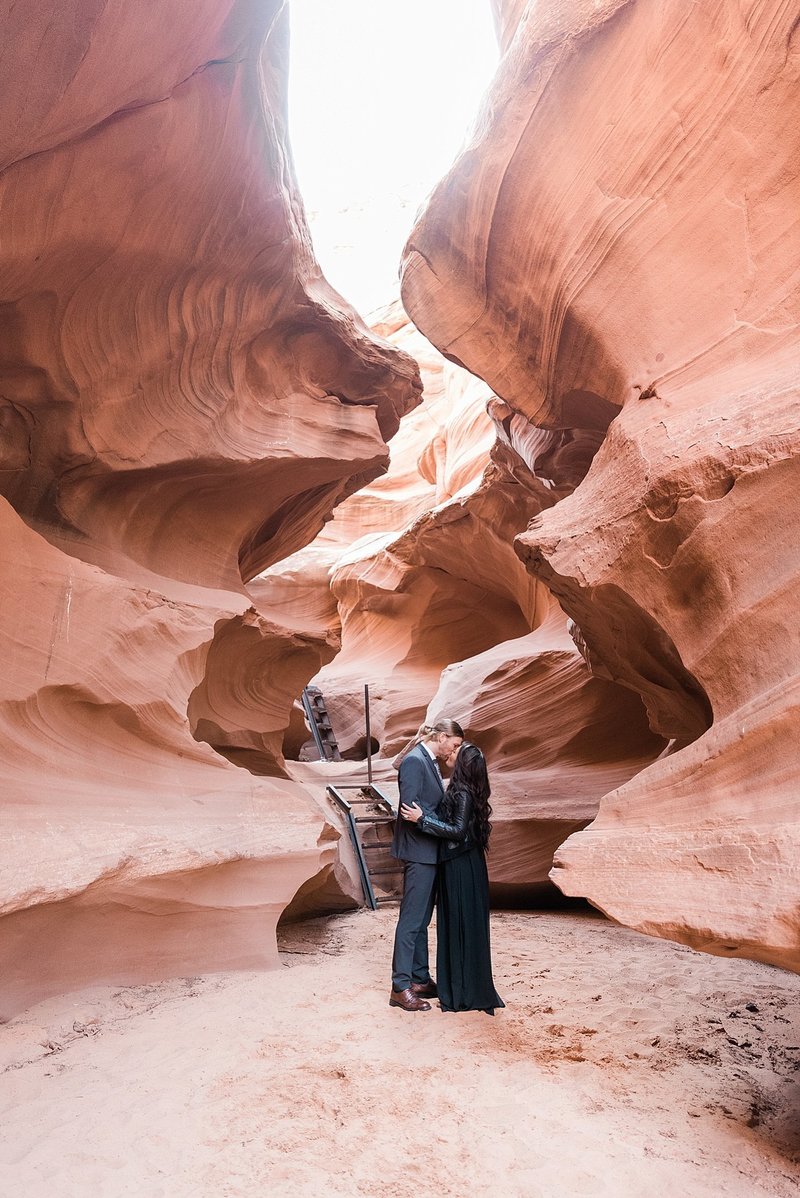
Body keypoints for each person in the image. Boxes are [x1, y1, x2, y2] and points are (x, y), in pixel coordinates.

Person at [401, 742, 504, 1015]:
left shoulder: (462, 792)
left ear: (463, 764)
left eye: (458, 750)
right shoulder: (465, 790)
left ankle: (462, 992)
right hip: (462, 864)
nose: (451, 752)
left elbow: (457, 831)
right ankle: (457, 986)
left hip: (460, 865)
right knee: (462, 927)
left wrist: (423, 819)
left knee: (460, 925)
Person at [389, 718, 464, 1012]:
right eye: (454, 745)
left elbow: (426, 806)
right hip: (419, 851)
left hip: (430, 851)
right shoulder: (414, 761)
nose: (453, 751)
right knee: (411, 921)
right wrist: (441, 823)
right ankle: (400, 987)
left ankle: (420, 978)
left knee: (421, 920)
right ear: (443, 737)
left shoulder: (429, 761)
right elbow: (410, 809)